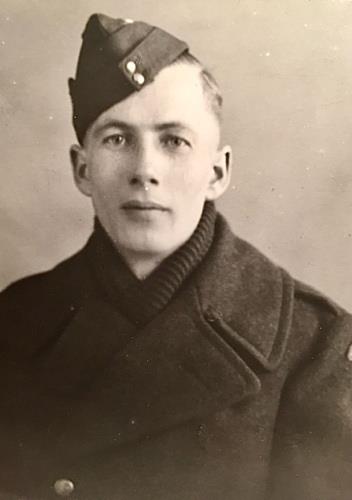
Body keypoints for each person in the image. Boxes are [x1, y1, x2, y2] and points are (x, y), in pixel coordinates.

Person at [0, 12, 351, 500]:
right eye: (117, 139)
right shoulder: (15, 324)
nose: (145, 170)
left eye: (174, 141)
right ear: (82, 169)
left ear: (217, 172)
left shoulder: (315, 347)